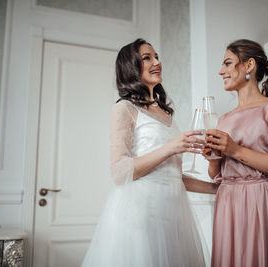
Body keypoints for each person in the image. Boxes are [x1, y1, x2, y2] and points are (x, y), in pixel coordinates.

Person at [81, 38, 216, 267]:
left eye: (157, 56)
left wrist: (217, 189)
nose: (156, 62)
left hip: (173, 216)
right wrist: (171, 147)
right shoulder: (123, 108)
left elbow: (173, 175)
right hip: (141, 216)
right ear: (130, 67)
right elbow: (119, 171)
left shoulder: (166, 115)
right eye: (147, 58)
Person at [204, 39, 268, 267]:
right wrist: (213, 159)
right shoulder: (223, 119)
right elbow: (216, 175)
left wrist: (235, 150)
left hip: (261, 203)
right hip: (227, 205)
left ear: (249, 66)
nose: (221, 71)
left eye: (228, 63)